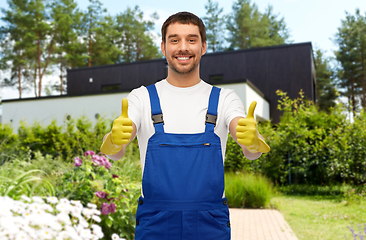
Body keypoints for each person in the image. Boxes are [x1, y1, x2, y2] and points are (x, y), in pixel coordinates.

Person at [100, 11, 270, 240]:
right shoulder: (141, 98)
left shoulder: (224, 99)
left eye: (191, 39)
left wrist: (253, 139)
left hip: (210, 224)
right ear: (163, 47)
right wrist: (113, 139)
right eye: (174, 40)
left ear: (203, 47)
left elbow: (250, 151)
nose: (183, 47)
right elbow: (116, 152)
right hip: (155, 224)